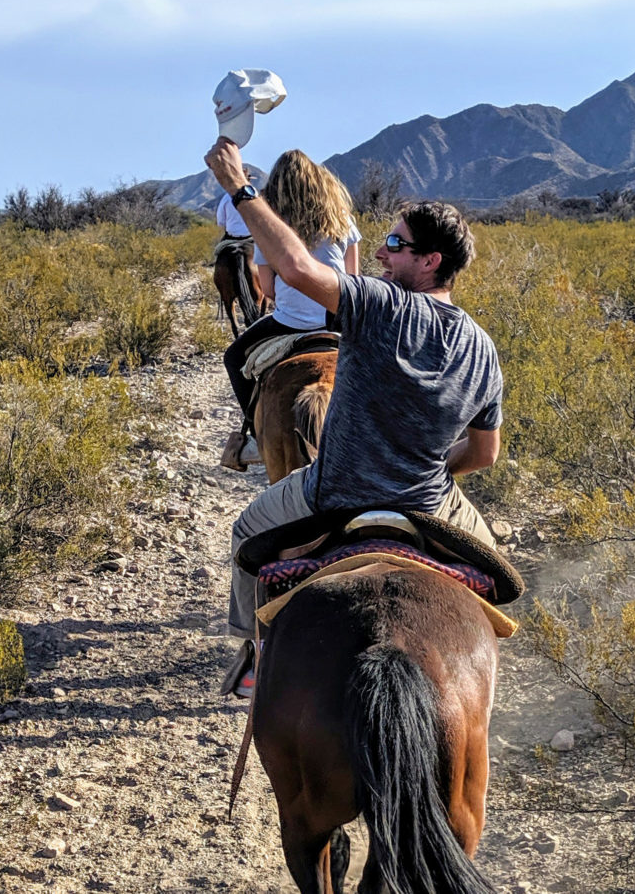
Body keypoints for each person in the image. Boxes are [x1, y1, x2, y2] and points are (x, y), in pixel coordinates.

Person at [205, 137, 503, 698]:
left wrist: (240, 187)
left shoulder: (376, 304)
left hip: (335, 491)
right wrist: (427, 471)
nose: (384, 253)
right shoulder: (482, 348)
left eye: (396, 243)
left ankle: (255, 656)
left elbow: (293, 267)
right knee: (496, 581)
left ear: (429, 260)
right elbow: (484, 454)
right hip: (430, 502)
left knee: (247, 532)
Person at [220, 150, 361, 470]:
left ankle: (255, 436)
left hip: (291, 323)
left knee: (234, 357)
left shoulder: (271, 225)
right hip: (339, 320)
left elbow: (267, 288)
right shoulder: (342, 217)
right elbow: (353, 279)